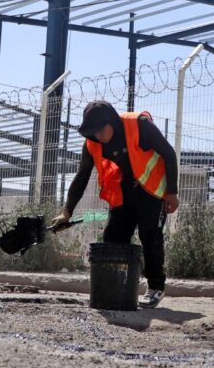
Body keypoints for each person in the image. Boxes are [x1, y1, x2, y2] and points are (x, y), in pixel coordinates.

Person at [51, 101, 179, 308]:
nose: (98, 136)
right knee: (113, 237)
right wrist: (66, 211)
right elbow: (82, 175)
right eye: (93, 132)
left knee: (150, 235)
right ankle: (119, 285)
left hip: (152, 191)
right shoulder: (93, 142)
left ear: (111, 121)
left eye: (101, 130)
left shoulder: (139, 125)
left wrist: (172, 193)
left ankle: (156, 287)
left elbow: (168, 153)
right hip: (124, 191)